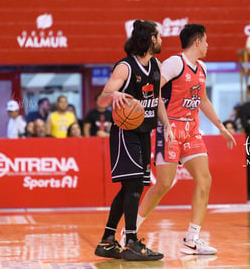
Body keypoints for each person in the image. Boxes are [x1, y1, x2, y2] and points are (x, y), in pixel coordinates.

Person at [136, 23, 236, 255]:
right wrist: (164, 124)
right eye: (207, 40)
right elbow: (154, 91)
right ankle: (131, 231)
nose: (209, 45)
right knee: (163, 184)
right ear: (197, 41)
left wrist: (220, 127)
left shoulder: (202, 67)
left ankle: (192, 238)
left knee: (205, 179)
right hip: (169, 128)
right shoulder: (174, 63)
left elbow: (204, 101)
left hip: (192, 130)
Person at [94, 20, 173, 261]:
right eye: (158, 36)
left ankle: (108, 241)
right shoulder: (125, 68)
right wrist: (113, 94)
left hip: (144, 132)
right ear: (151, 39)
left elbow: (157, 100)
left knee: (131, 186)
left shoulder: (157, 65)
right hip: (124, 132)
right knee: (135, 186)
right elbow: (101, 100)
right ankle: (131, 242)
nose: (161, 40)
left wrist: (167, 126)